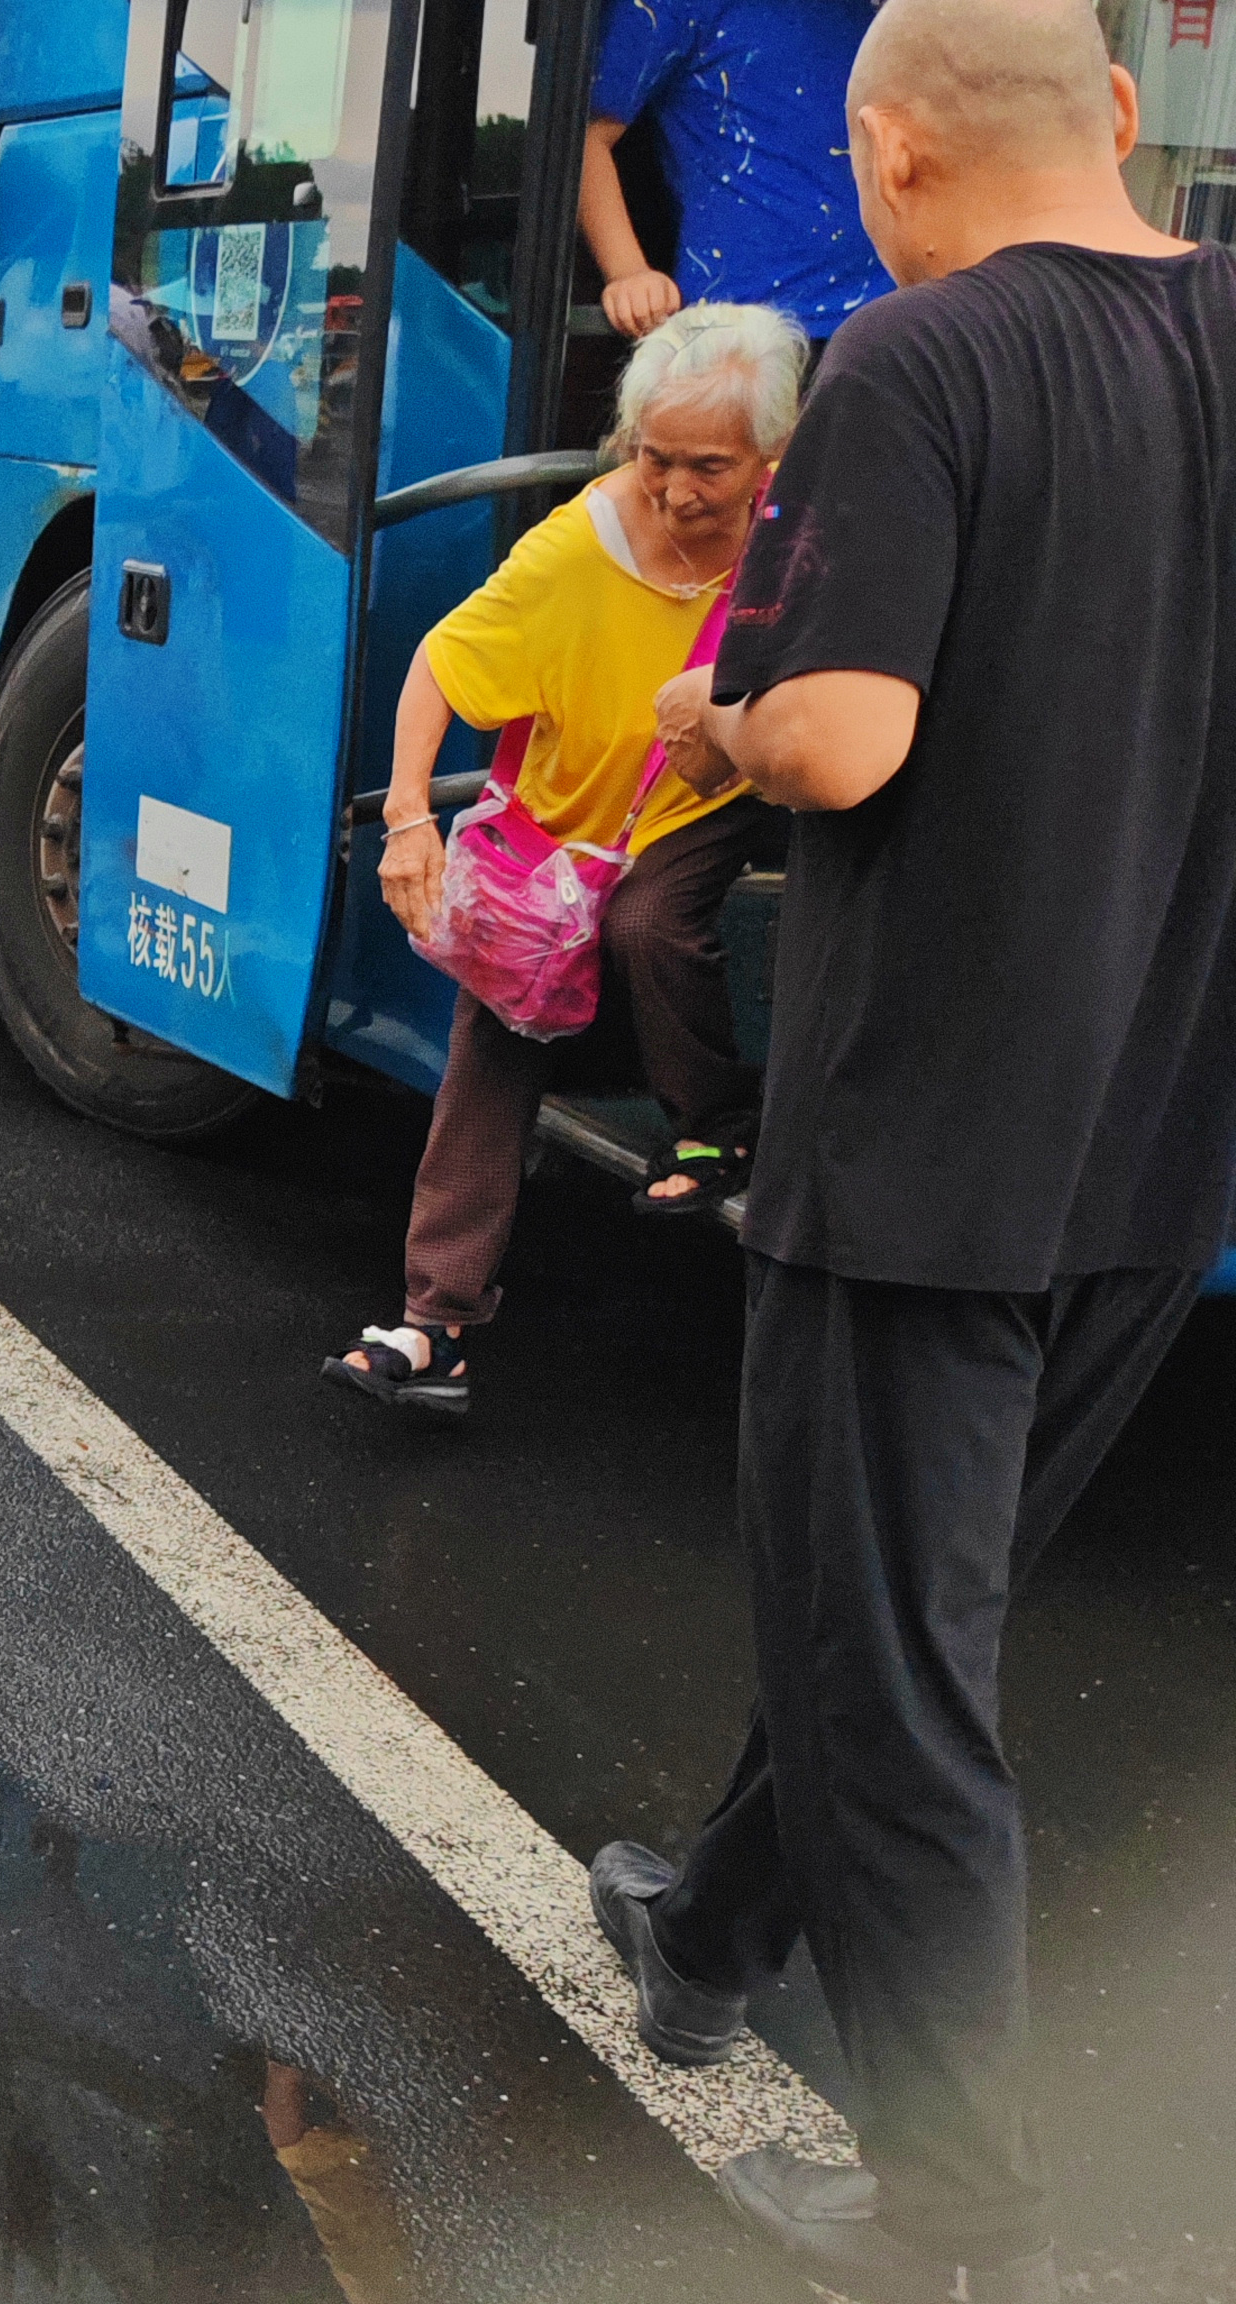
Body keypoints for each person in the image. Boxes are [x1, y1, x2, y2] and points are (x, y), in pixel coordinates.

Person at [594, 4, 1236, 2296]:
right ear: (1120, 122)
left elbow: (843, 742)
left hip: (923, 1161)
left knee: (900, 1702)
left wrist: (711, 709)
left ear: (878, 152)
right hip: (1150, 1152)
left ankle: (952, 2222)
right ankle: (698, 1923)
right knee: (897, 1621)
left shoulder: (911, 367)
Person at [324, 304, 804, 1416]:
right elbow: (441, 667)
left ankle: (717, 1124)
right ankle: (433, 1323)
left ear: (769, 460)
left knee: (647, 922)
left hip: (708, 801)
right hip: (564, 833)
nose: (678, 490)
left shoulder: (804, 537)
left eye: (709, 467)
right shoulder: (578, 546)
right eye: (655, 458)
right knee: (490, 1048)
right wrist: (408, 818)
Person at [583, 0, 896, 345]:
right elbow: (583, 140)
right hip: (744, 340)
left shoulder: (899, 10)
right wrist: (628, 273)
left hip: (891, 320)